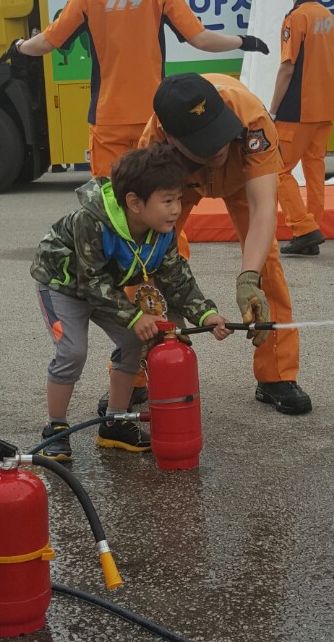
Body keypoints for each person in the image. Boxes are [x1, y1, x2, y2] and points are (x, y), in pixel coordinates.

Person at [4, 0, 268, 179]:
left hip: (108, 119)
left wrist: (19, 46)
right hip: (154, 116)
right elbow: (201, 39)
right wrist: (243, 41)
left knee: (110, 195)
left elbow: (46, 43)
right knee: (155, 191)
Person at [31, 141, 231, 461]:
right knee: (72, 351)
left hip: (104, 287)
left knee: (133, 341)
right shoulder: (92, 222)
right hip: (62, 285)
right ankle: (54, 427)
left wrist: (206, 314)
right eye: (167, 201)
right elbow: (91, 282)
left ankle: (114, 423)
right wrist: (136, 316)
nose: (176, 209)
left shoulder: (163, 232)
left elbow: (177, 278)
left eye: (179, 199)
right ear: (135, 202)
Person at [131, 72, 312, 416]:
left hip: (242, 177)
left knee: (266, 267)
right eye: (204, 141)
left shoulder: (253, 122)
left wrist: (248, 278)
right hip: (180, 179)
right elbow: (142, 240)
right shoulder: (152, 146)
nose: (217, 148)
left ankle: (276, 375)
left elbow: (262, 210)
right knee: (144, 267)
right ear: (169, 137)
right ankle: (133, 374)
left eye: (219, 133)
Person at [269, 0, 334, 256]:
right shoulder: (327, 17)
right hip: (324, 107)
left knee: (277, 170)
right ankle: (312, 228)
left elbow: (287, 67)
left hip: (298, 110)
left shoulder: (295, 19)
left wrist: (272, 110)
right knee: (314, 172)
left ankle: (303, 227)